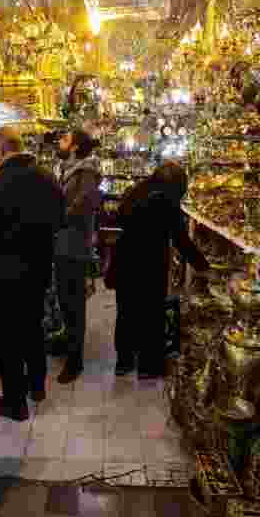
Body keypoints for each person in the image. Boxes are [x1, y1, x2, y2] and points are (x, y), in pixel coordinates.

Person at [0, 126, 66, 421]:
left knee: (7, 336)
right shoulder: (47, 178)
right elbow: (60, 220)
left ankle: (15, 402)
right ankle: (36, 386)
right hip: (37, 268)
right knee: (33, 327)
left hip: (2, 273)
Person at [108, 161, 209, 379]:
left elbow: (119, 218)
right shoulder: (165, 201)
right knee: (151, 316)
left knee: (126, 313)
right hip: (150, 264)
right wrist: (204, 266)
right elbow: (181, 240)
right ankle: (148, 366)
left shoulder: (136, 192)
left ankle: (124, 362)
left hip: (126, 261)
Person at [53, 128, 103, 384]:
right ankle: (68, 345)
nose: (59, 143)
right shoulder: (68, 168)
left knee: (73, 303)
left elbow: (88, 202)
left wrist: (61, 215)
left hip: (73, 246)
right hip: (63, 243)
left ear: (74, 146)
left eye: (63, 139)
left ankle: (75, 360)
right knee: (65, 300)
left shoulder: (85, 172)